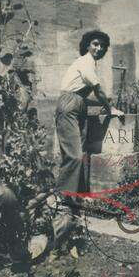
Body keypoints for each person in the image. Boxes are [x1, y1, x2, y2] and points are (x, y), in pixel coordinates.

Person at [55, 30, 124, 197]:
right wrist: (110, 109)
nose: (99, 48)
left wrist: (105, 106)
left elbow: (84, 96)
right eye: (95, 44)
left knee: (83, 152)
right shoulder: (85, 62)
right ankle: (63, 198)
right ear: (87, 45)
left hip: (78, 104)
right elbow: (98, 92)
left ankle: (80, 196)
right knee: (74, 156)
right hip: (70, 105)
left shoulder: (90, 63)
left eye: (102, 46)